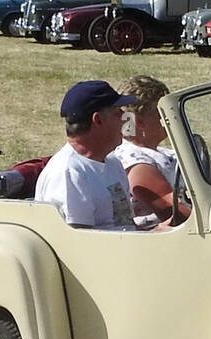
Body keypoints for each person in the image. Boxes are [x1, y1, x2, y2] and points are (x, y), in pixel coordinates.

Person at [35, 81, 140, 230]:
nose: (124, 118)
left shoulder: (112, 162)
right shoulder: (69, 173)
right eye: (118, 113)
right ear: (97, 120)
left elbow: (126, 225)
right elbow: (80, 242)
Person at [113, 75, 190, 227]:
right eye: (162, 113)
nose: (169, 118)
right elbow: (175, 212)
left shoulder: (165, 153)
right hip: (165, 240)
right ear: (139, 121)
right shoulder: (134, 161)